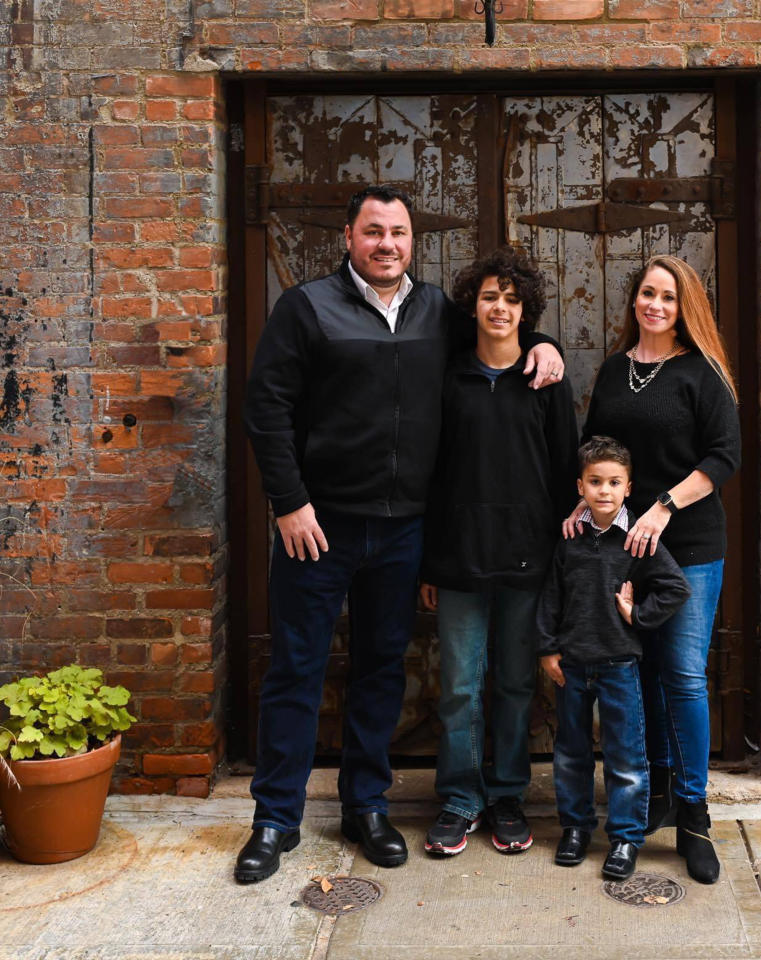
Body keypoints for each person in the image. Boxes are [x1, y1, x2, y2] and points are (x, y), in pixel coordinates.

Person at [236, 186, 564, 883]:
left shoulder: (435, 311)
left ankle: (365, 806)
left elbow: (498, 335)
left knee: (382, 673)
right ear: (349, 237)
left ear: (414, 241)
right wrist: (289, 502)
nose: (387, 244)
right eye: (373, 231)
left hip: (401, 529)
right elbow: (265, 408)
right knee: (296, 669)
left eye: (399, 233)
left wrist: (544, 345)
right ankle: (274, 819)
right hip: (316, 527)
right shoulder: (308, 308)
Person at [566, 254, 740, 885]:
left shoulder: (703, 373)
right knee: (638, 675)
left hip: (688, 547)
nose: (655, 306)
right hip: (623, 552)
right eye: (647, 294)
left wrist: (664, 506)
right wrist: (580, 509)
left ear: (684, 306)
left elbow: (726, 456)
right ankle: (656, 793)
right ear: (634, 300)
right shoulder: (615, 371)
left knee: (685, 676)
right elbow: (596, 451)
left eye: (668, 297)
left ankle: (694, 815)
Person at [418, 247, 578, 858]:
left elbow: (568, 473)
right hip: (459, 559)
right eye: (490, 297)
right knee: (460, 685)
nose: (501, 308)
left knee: (514, 683)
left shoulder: (545, 382)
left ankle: (508, 794)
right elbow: (432, 476)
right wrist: (430, 562)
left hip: (527, 561)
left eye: (512, 300)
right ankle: (460, 798)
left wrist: (561, 563)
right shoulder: (450, 379)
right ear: (472, 306)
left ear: (526, 310)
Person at [538, 436, 690, 880]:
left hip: (620, 664)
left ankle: (625, 838)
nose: (604, 490)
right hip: (572, 664)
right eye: (595, 482)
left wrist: (637, 614)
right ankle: (575, 829)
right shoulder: (569, 539)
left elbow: (675, 588)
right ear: (580, 486)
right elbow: (550, 596)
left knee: (626, 756)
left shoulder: (636, 541)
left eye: (613, 482)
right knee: (571, 753)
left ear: (628, 488)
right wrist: (548, 649)